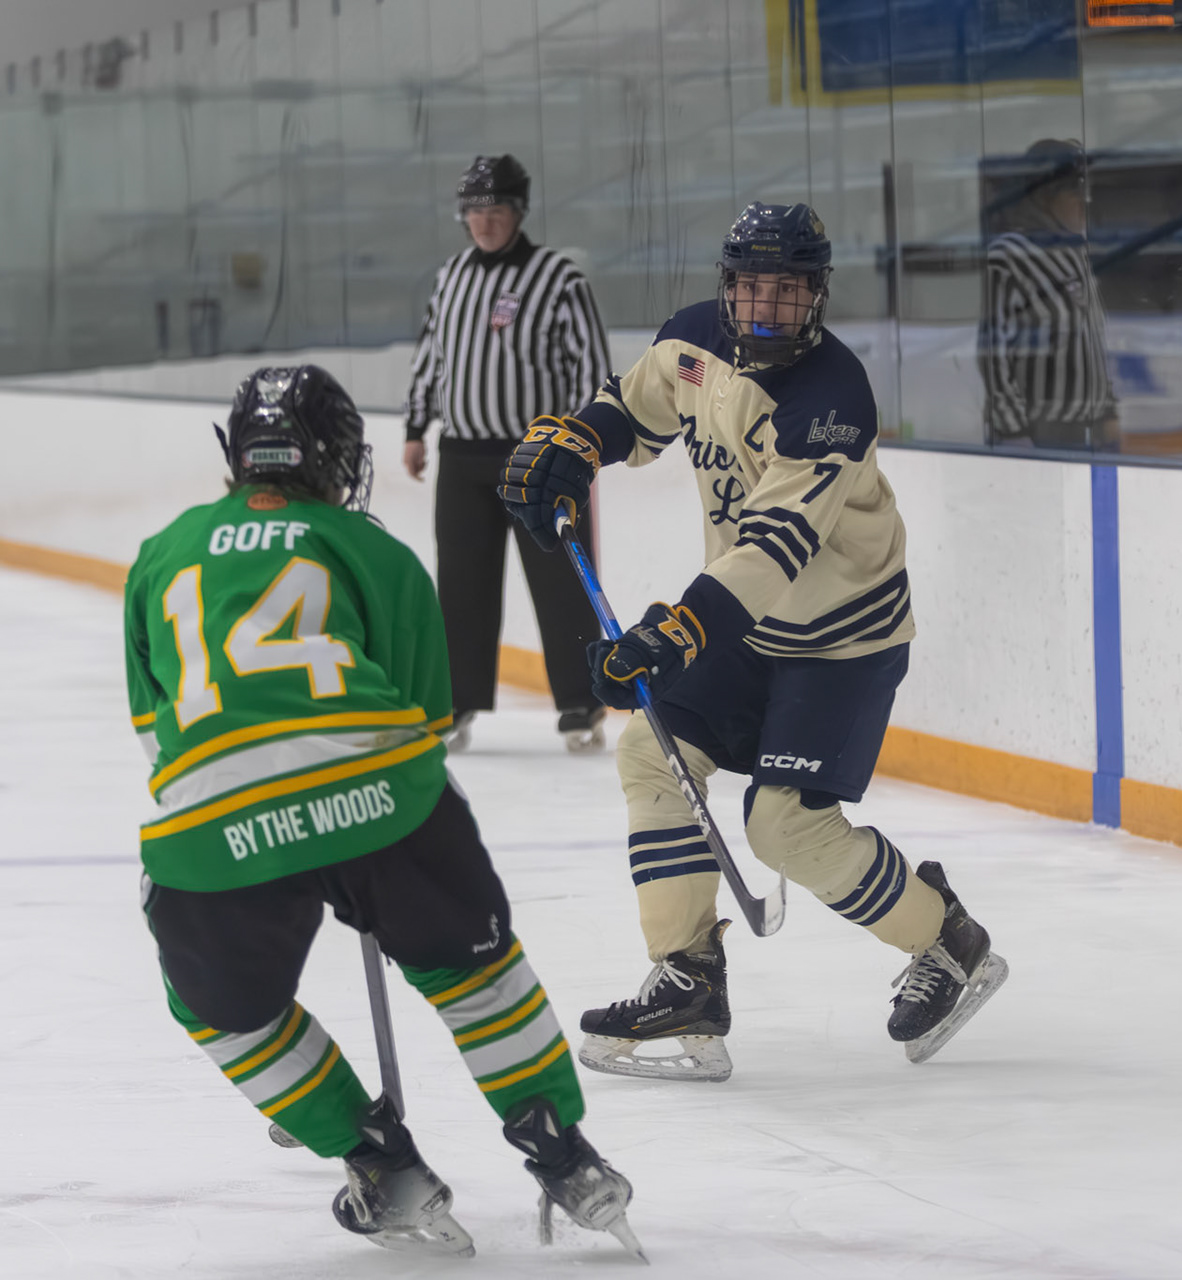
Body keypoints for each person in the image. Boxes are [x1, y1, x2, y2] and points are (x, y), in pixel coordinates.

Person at [123, 365, 640, 1258]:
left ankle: (379, 1163)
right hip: (385, 797)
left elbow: (154, 731)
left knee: (218, 1008)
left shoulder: (161, 553)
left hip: (214, 820)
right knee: (474, 972)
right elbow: (426, 717)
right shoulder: (371, 549)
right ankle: (565, 1155)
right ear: (334, 456)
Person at [496, 204, 1008, 1082]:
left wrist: (677, 633)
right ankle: (688, 974)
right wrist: (578, 441)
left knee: (785, 829)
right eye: (752, 287)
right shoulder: (692, 341)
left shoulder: (832, 398)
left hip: (841, 637)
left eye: (788, 290)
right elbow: (633, 408)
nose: (767, 307)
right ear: (728, 286)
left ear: (817, 295)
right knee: (650, 756)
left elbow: (775, 547)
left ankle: (947, 939)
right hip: (744, 624)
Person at [404, 154, 612, 754]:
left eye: (495, 210)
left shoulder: (558, 277)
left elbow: (590, 366)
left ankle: (582, 702)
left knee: (561, 579)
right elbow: (430, 355)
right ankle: (456, 701)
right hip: (461, 456)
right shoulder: (450, 276)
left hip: (538, 460)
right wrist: (415, 427)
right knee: (460, 586)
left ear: (518, 211)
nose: (484, 222)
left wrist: (578, 443)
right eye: (474, 211)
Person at [979, 138, 1117, 451]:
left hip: (1087, 428)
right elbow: (993, 354)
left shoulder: (1075, 252)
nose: (1084, 201)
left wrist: (1107, 409)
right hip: (1040, 431)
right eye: (1074, 191)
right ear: (1044, 196)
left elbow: (1093, 340)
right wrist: (1014, 433)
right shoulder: (1009, 255)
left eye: (1085, 190)